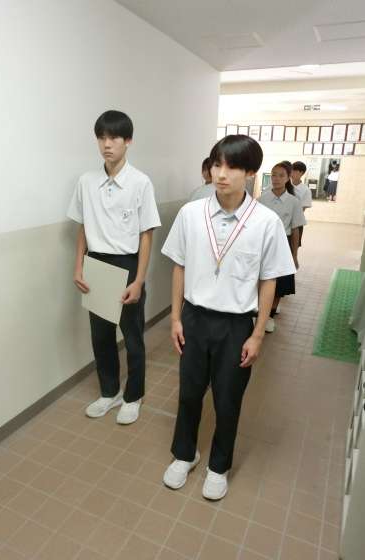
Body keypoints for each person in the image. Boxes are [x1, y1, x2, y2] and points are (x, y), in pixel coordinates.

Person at [161, 136, 295, 500]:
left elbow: (269, 280)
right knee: (189, 393)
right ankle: (184, 454)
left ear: (251, 173)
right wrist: (176, 318)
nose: (221, 174)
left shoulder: (265, 222)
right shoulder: (191, 214)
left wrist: (258, 334)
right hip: (194, 318)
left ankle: (219, 466)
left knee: (227, 399)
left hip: (236, 325)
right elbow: (179, 266)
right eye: (217, 164)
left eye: (232, 167)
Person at [67, 110, 161, 425]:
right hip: (95, 263)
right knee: (101, 336)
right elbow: (83, 226)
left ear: (128, 141)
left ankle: (133, 396)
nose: (107, 144)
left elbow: (146, 234)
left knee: (132, 337)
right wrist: (78, 266)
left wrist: (139, 279)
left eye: (114, 138)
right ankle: (109, 392)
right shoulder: (86, 181)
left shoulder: (140, 182)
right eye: (102, 138)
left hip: (127, 263)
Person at [259, 161, 305, 333]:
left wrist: (294, 255)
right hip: (263, 243)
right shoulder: (262, 199)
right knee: (261, 279)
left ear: (288, 178)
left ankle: (270, 316)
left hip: (283, 243)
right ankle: (259, 313)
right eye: (274, 175)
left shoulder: (294, 202)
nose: (276, 179)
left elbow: (295, 229)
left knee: (280, 282)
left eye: (281, 175)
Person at [291, 161, 312, 246]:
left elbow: (302, 209)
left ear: (301, 173)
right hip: (283, 220)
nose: (292, 173)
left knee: (294, 246)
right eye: (291, 170)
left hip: (296, 222)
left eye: (295, 171)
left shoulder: (306, 190)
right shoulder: (285, 186)